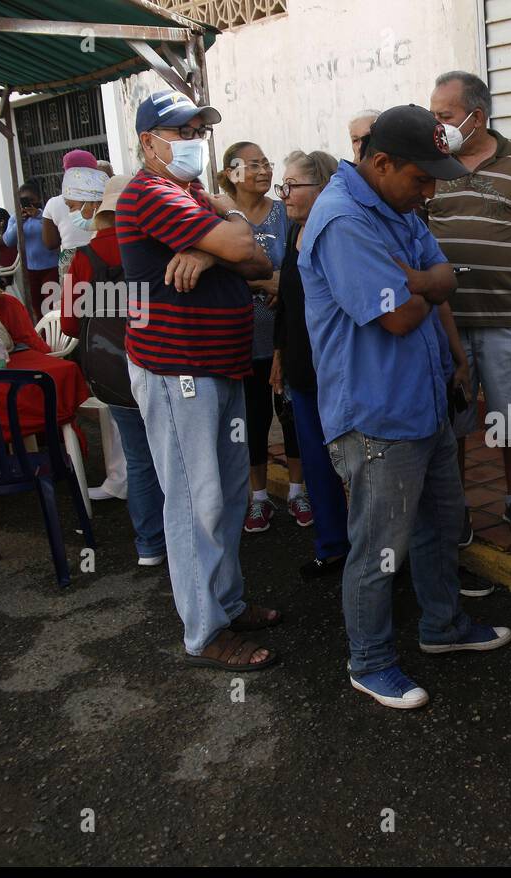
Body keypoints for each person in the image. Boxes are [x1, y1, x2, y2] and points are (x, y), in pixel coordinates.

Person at [299, 104, 511, 709]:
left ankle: (442, 627)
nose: (428, 193)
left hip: (423, 401)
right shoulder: (342, 219)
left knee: (439, 524)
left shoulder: (395, 207)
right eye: (421, 179)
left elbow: (443, 278)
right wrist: (425, 283)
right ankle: (368, 661)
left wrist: (418, 280)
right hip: (375, 416)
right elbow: (397, 316)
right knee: (379, 546)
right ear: (382, 162)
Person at [119, 90, 279, 670]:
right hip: (178, 371)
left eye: (198, 130)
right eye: (181, 131)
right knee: (195, 502)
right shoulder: (153, 193)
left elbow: (260, 263)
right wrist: (227, 230)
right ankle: (203, 631)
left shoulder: (189, 195)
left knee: (229, 496)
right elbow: (246, 243)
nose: (193, 140)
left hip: (221, 365)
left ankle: (227, 604)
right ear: (149, 143)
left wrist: (209, 253)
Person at [428, 71, 511, 541]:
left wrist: (496, 267)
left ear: (477, 116)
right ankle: (457, 508)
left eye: (445, 115)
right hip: (446, 319)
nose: (437, 124)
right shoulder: (431, 163)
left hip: (505, 317)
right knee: (453, 420)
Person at [63, 174, 167, 567]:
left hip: (113, 372)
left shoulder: (86, 258)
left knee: (139, 458)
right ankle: (185, 540)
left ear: (99, 211)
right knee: (174, 456)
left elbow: (71, 326)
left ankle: (150, 546)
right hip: (162, 362)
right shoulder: (157, 249)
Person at [218, 141, 310, 533]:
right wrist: (268, 279)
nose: (264, 171)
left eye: (266, 163)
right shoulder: (219, 215)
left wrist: (280, 284)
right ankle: (257, 499)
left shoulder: (283, 215)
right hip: (240, 340)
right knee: (250, 421)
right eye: (254, 164)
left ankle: (297, 491)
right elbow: (222, 270)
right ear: (231, 172)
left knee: (291, 417)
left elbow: (300, 269)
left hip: (283, 336)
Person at [272, 148, 350, 578]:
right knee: (318, 465)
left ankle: (373, 554)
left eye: (292, 186)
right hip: (302, 367)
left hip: (338, 369)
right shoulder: (292, 231)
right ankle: (333, 545)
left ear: (321, 188)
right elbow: (286, 299)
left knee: (354, 465)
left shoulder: (336, 233)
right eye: (282, 186)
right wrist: (280, 355)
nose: (283, 194)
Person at [1, 182, 62, 314]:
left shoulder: (46, 215)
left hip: (50, 267)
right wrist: (19, 221)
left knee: (52, 305)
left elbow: (55, 235)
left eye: (32, 200)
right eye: (24, 201)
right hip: (29, 269)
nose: (29, 205)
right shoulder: (15, 218)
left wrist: (38, 216)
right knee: (37, 307)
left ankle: (57, 332)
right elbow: (8, 241)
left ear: (39, 200)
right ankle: (43, 334)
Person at [42, 149, 103, 275]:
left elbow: (50, 243)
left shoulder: (53, 203)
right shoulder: (105, 198)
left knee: (71, 294)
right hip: (101, 253)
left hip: (70, 260)